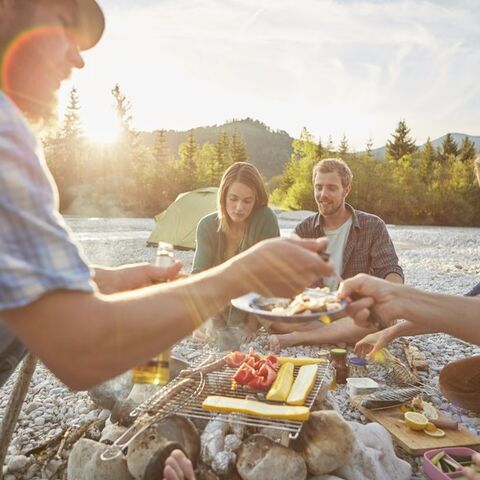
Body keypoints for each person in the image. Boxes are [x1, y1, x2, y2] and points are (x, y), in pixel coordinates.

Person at [0, 0, 334, 390]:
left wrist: (109, 279)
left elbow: (18, 269)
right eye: (62, 24)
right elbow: (82, 349)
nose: (78, 60)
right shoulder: (8, 138)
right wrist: (244, 273)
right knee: (139, 378)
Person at [349, 156, 480, 415]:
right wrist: (389, 332)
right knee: (455, 380)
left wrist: (399, 298)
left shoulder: (372, 226)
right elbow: (460, 312)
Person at [269, 157, 403, 351]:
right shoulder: (304, 230)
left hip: (355, 309)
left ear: (346, 190)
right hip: (318, 311)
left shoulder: (372, 226)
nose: (323, 194)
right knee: (274, 316)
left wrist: (392, 296)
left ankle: (300, 338)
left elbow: (390, 268)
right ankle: (338, 335)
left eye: (331, 188)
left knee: (375, 318)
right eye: (318, 187)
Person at [192, 162, 280, 342]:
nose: (239, 207)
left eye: (247, 201)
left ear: (256, 200)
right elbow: (198, 275)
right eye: (233, 199)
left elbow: (267, 276)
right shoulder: (206, 226)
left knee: (284, 323)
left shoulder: (265, 219)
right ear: (223, 196)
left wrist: (250, 325)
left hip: (255, 304)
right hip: (217, 306)